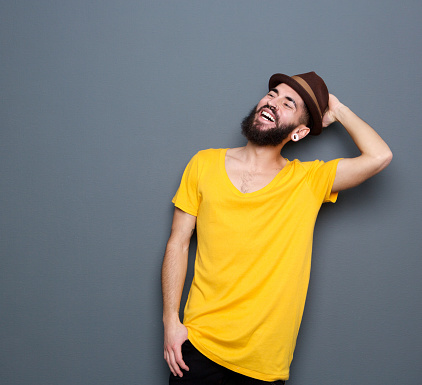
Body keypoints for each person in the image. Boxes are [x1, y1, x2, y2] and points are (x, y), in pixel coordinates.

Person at [161, 72, 392, 384]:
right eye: (272, 95)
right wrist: (170, 322)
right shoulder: (203, 164)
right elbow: (178, 242)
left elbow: (379, 156)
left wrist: (337, 110)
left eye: (288, 103)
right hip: (197, 348)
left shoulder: (308, 181)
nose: (273, 102)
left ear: (298, 132)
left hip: (262, 364)